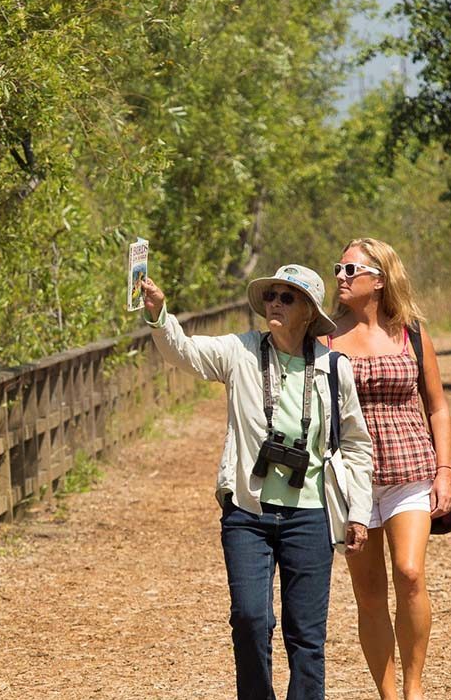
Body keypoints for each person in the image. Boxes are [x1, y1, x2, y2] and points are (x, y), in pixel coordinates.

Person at [140, 264, 373, 700]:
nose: (275, 304)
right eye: (271, 296)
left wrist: (358, 512)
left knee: (306, 635)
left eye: (287, 298)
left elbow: (358, 444)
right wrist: (159, 314)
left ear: (308, 311)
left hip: (311, 514)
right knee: (250, 620)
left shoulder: (332, 368)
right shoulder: (241, 351)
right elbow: (185, 352)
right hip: (247, 512)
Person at [326, 238, 451, 700]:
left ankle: (414, 688)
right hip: (350, 480)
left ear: (378, 281)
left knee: (409, 572)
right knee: (369, 591)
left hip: (409, 468)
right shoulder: (323, 338)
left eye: (350, 271)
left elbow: (437, 407)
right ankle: (386, 692)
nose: (340, 277)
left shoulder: (412, 333)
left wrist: (444, 471)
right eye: (338, 269)